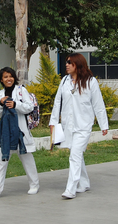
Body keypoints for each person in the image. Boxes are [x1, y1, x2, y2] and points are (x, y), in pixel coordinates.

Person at [49, 53, 109, 199]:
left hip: (83, 125)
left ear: (78, 64)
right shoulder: (64, 81)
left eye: (70, 62)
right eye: (66, 62)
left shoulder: (90, 82)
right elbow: (57, 102)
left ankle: (71, 188)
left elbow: (98, 104)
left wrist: (103, 125)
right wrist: (53, 122)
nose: (67, 65)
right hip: (68, 125)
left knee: (75, 155)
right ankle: (84, 183)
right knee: (76, 154)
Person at [0, 67, 40, 199]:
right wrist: (0, 103)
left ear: (14, 77)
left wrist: (16, 105)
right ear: (1, 80)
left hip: (20, 132)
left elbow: (29, 107)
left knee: (27, 159)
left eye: (10, 76)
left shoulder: (21, 91)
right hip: (6, 132)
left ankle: (34, 185)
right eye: (5, 77)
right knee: (1, 160)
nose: (8, 79)